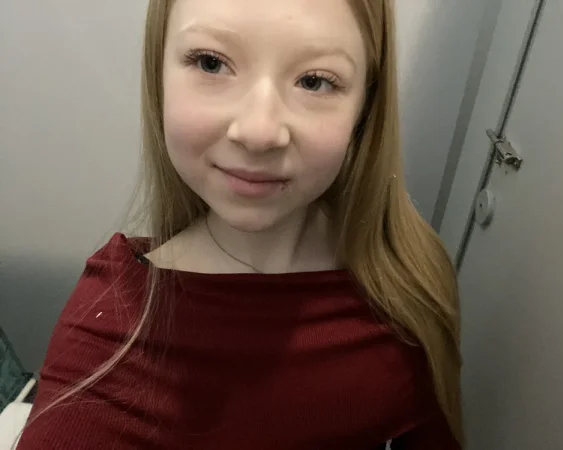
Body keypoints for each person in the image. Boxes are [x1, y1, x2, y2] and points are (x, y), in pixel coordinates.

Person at [16, 0, 463, 448]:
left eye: (314, 80)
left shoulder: (409, 281)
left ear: (365, 105)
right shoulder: (111, 336)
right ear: (159, 73)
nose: (258, 132)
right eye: (211, 63)